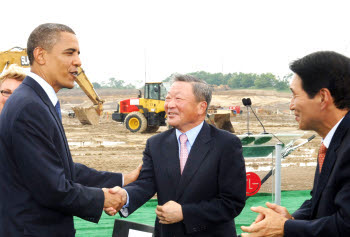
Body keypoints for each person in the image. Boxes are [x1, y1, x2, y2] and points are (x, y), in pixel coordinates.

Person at [0, 23, 141, 236]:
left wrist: (122, 179)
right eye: (69, 53)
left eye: (78, 53)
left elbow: (62, 169)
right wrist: (104, 198)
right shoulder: (30, 107)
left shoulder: (37, 101)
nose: (78, 61)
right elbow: (52, 189)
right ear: (40, 55)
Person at [106, 74, 246, 236]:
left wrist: (185, 213)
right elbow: (146, 184)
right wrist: (124, 195)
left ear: (201, 107)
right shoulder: (156, 144)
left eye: (178, 99)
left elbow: (232, 202)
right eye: (167, 98)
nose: (170, 105)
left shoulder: (226, 144)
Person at [241, 51, 350, 237]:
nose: (291, 105)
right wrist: (291, 219)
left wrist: (284, 228)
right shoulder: (333, 140)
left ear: (323, 97)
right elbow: (318, 199)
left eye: (294, 95)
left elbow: (345, 225)